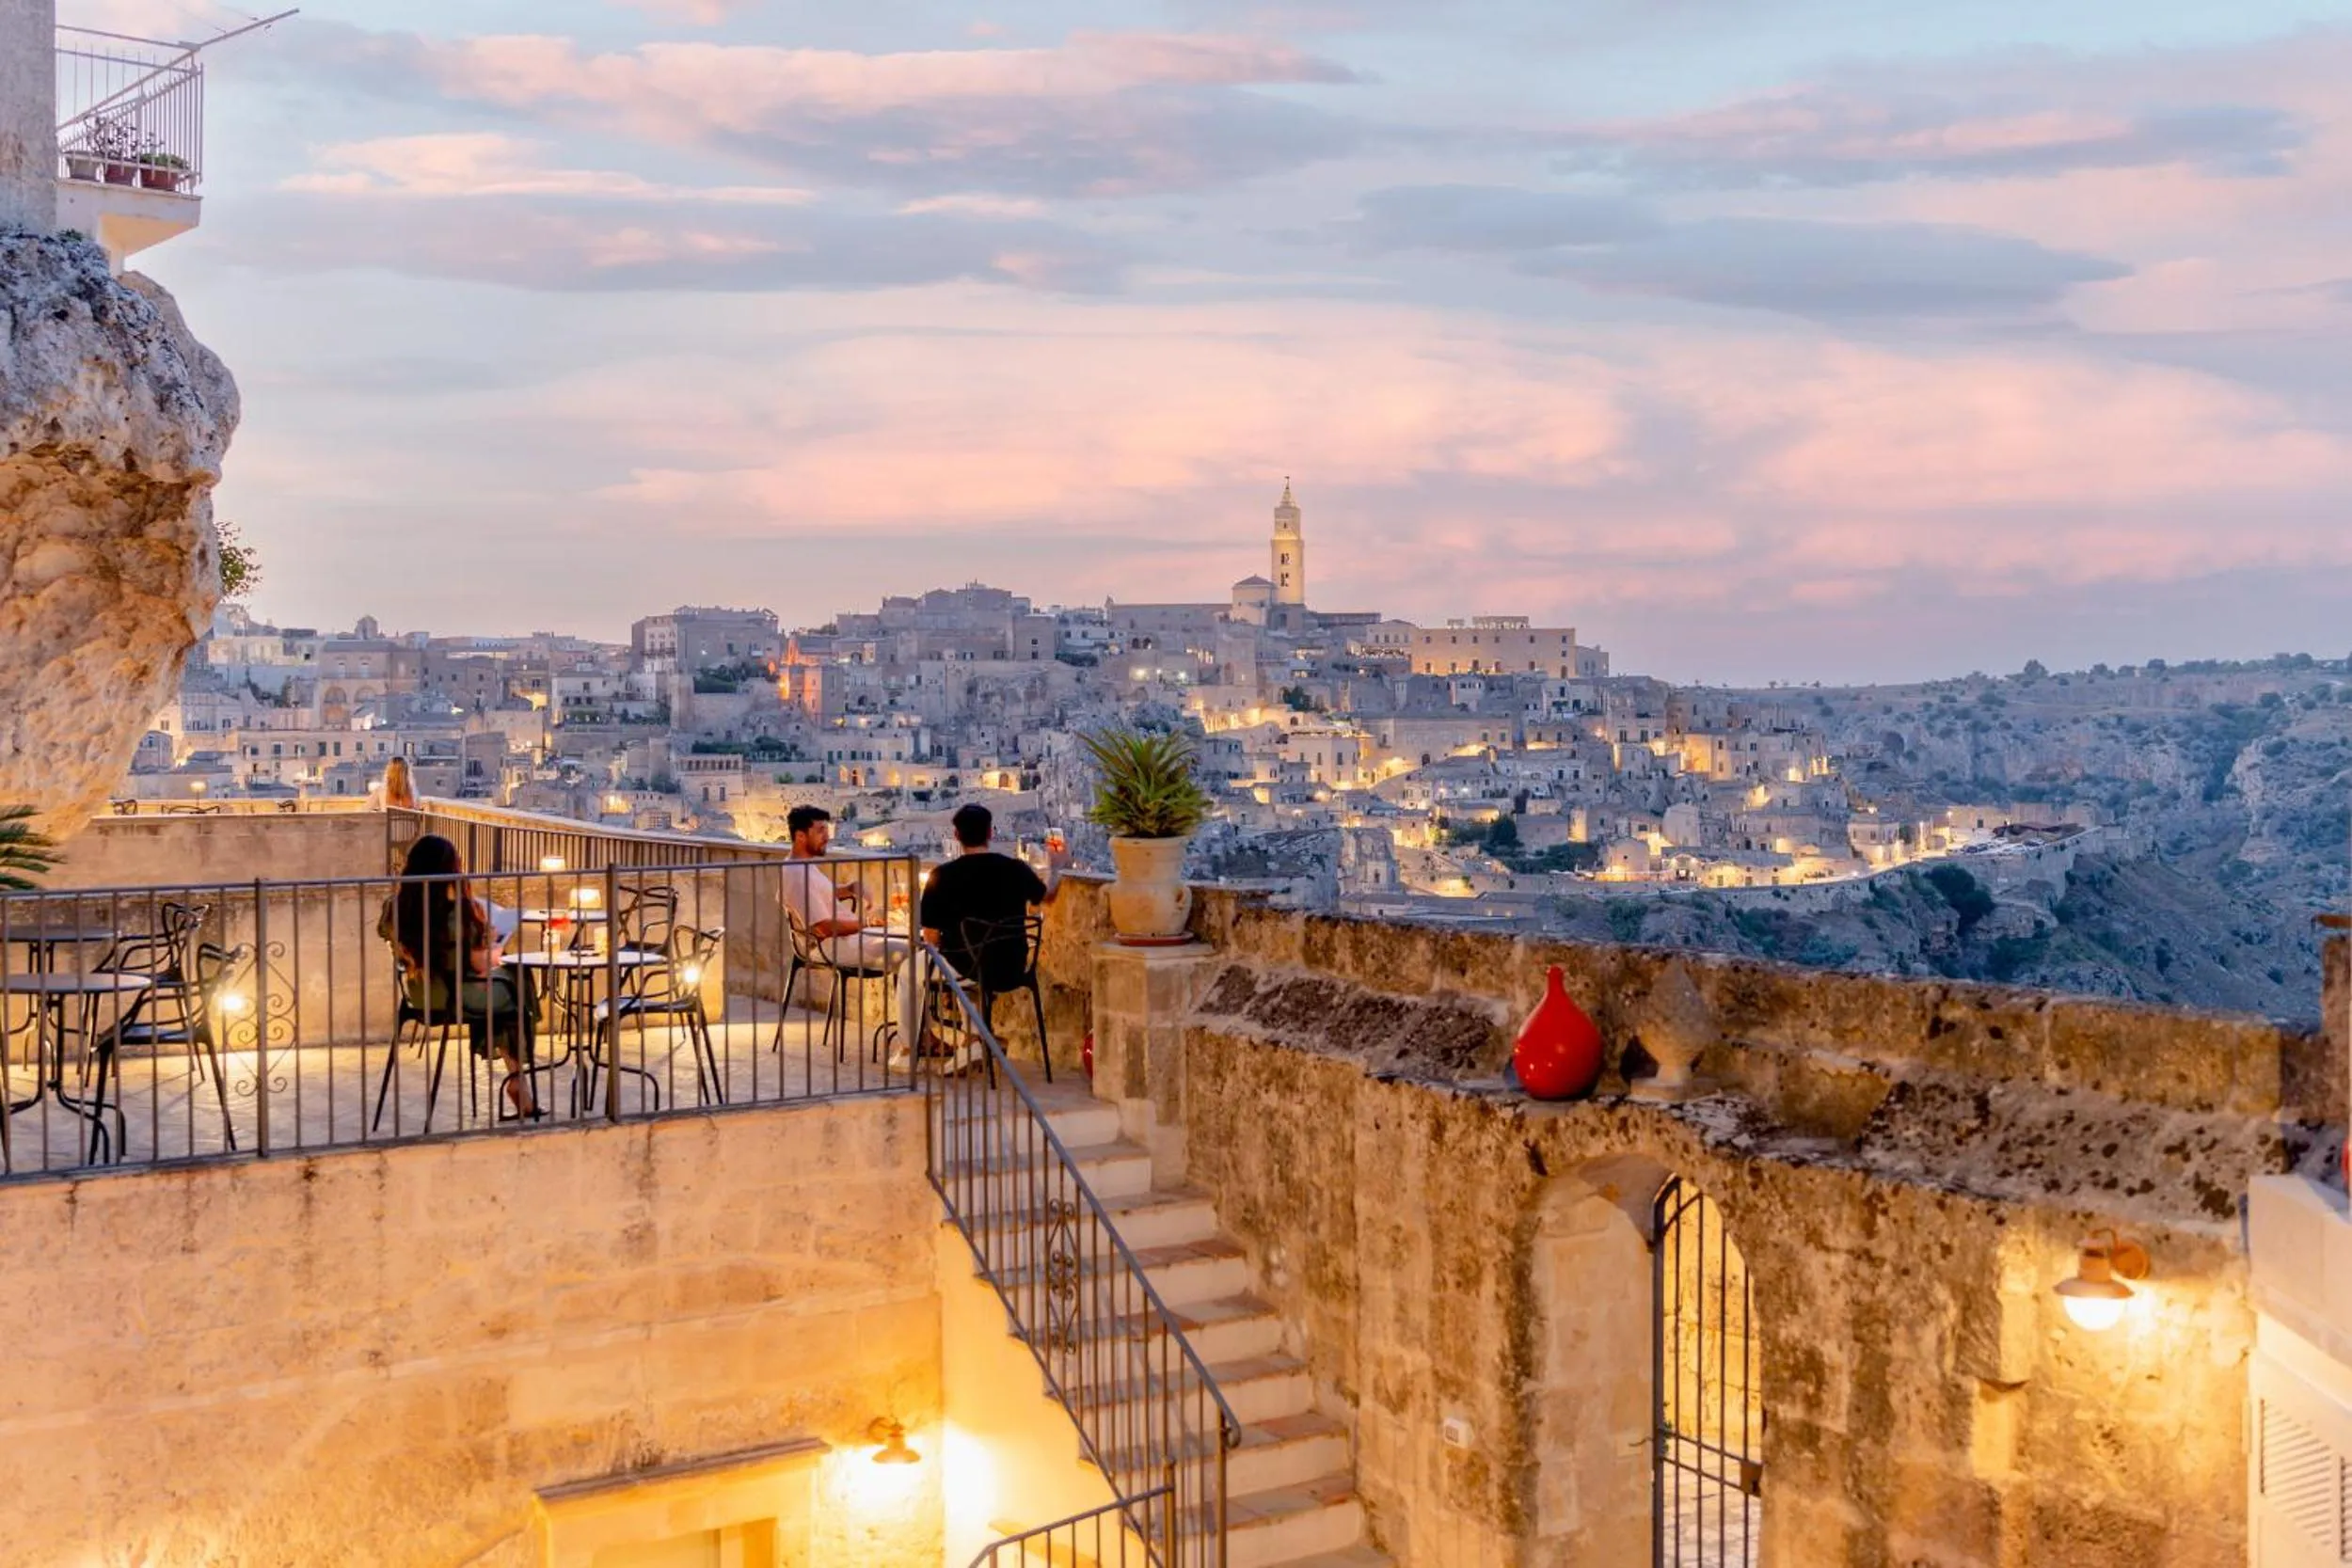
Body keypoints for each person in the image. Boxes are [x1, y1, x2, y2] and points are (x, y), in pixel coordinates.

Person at [377, 833, 541, 1118]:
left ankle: (518, 1082)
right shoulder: (461, 912)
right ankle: (518, 1078)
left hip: (418, 992)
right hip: (457, 995)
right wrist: (494, 944)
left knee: (501, 998)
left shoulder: (394, 908)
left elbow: (387, 936)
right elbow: (479, 965)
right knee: (517, 984)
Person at [920, 804, 1068, 1009]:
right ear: (990, 832)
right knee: (962, 963)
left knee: (908, 971)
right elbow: (1047, 896)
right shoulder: (1015, 869)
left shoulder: (941, 877)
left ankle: (916, 1039)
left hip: (967, 968)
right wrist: (1055, 866)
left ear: (956, 835)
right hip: (1012, 967)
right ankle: (975, 1035)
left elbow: (931, 937)